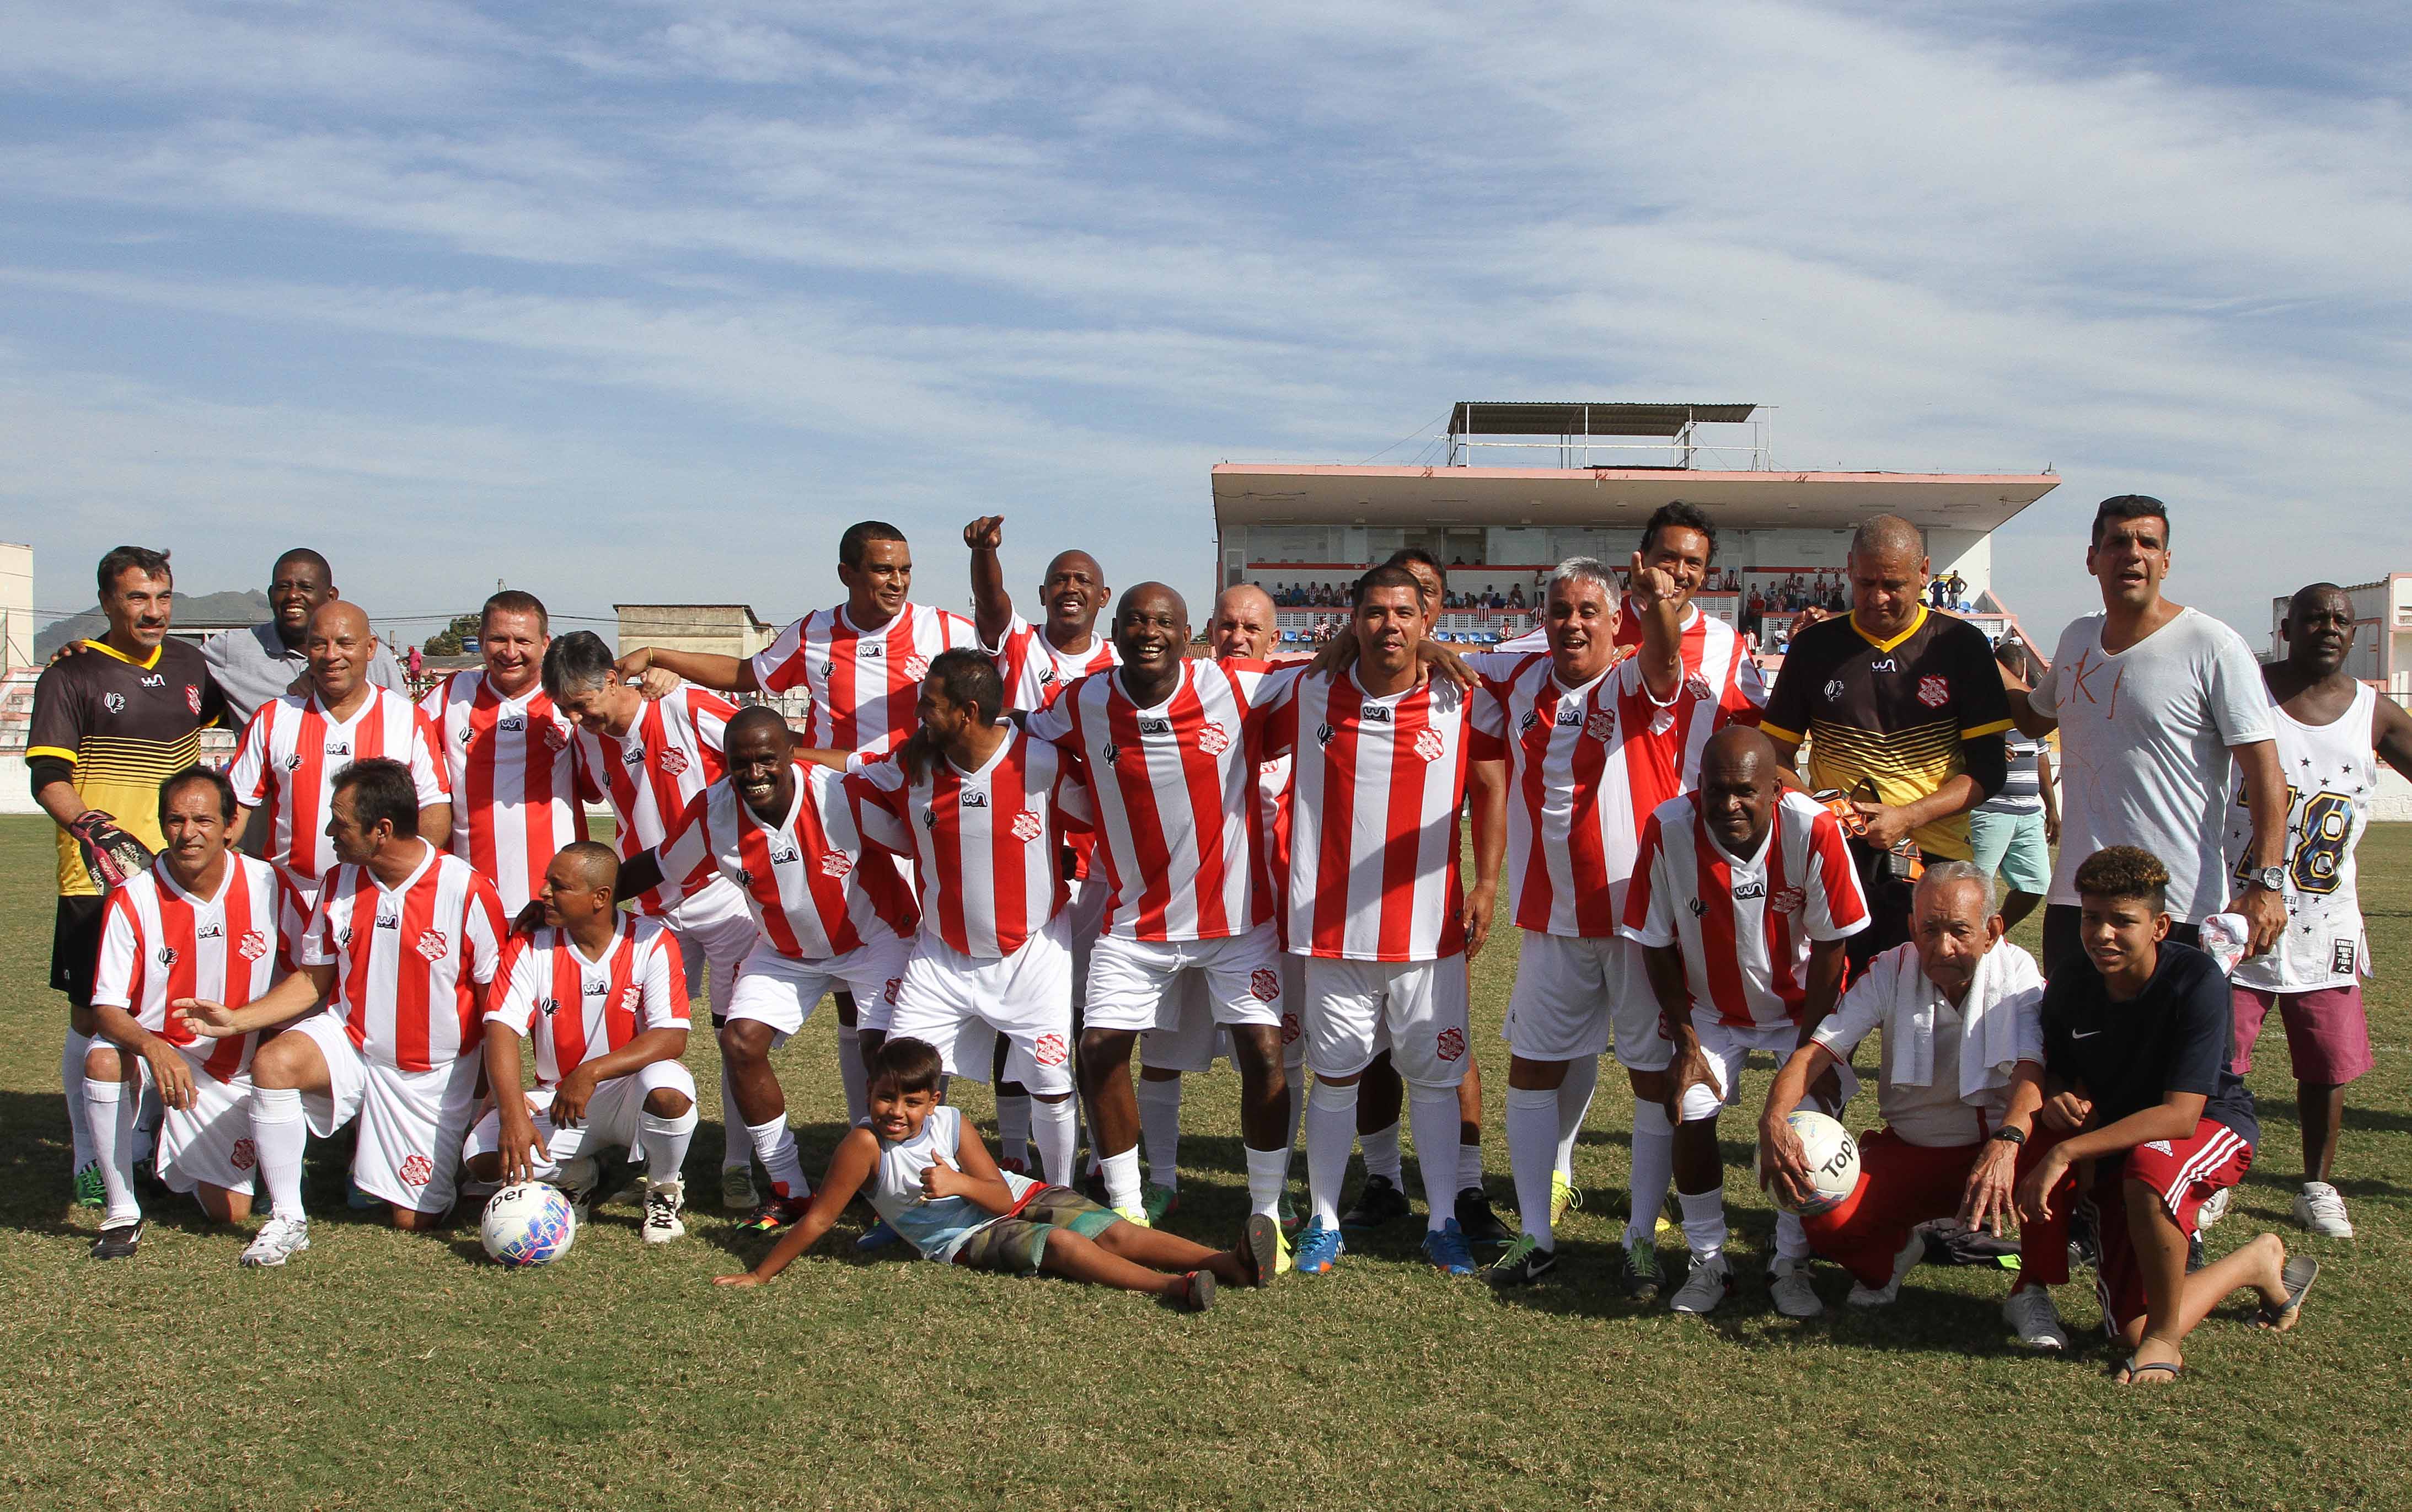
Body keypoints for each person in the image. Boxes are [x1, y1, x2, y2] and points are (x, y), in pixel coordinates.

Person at [616, 519, 979, 1120]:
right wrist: (658, 654)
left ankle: (919, 1139)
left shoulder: (946, 629)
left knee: (915, 993)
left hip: (915, 821)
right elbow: (743, 676)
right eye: (883, 569)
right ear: (848, 574)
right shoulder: (813, 633)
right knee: (852, 993)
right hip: (834, 818)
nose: (897, 581)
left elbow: (992, 687)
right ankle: (867, 1133)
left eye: (905, 569)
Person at [1021, 584, 1295, 1232]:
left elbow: (1341, 671)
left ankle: (1266, 1212)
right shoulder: (1083, 700)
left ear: (1185, 632)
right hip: (1137, 923)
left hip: (1236, 922)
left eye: (1164, 622)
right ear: (1114, 630)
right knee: (1099, 1049)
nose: (1150, 632)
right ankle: (1126, 1209)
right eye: (1138, 621)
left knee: (1264, 1053)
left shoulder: (1239, 684)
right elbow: (1020, 737)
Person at [1460, 553, 1691, 1289]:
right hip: (1552, 921)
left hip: (1638, 923)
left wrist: (1658, 600)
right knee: (1528, 1070)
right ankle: (1534, 1234)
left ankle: (1639, 1238)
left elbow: (1663, 657)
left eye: (1589, 610)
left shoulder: (1633, 680)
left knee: (1652, 1077)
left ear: (1615, 619)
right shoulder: (1515, 680)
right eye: (1560, 610)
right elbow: (1446, 665)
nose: (1572, 623)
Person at [1266, 566, 1504, 1278]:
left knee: (1433, 1079)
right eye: (1373, 613)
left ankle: (1440, 1222)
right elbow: (1229, 682)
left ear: (1428, 620)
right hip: (1332, 930)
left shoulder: (1463, 698)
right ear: (1352, 621)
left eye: (1404, 612)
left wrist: (1488, 881)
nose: (1389, 626)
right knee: (1335, 1078)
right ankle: (1326, 1221)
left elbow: (1491, 786)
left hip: (1428, 933)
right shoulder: (1310, 690)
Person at [179, 758, 507, 1264]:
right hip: (352, 1043)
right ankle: (288, 1218)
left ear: (383, 831)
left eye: (340, 822)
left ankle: (452, 1158)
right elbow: (314, 980)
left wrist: (492, 1095)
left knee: (412, 1222)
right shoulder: (339, 883)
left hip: (430, 1074)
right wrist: (239, 1019)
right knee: (274, 1064)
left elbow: (494, 1007)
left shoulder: (467, 890)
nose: (329, 831)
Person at [607, 706, 917, 1233]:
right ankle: (788, 1188)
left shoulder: (841, 794)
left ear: (791, 755)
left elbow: (924, 842)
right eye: (741, 763)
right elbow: (660, 864)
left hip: (876, 938)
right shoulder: (714, 811)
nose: (754, 775)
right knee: (740, 1041)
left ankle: (890, 1184)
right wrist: (589, 894)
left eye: (767, 761)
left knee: (884, 1055)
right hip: (785, 950)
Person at [2014, 847, 2316, 1384]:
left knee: (2152, 1168)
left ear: (2159, 926)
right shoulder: (2071, 983)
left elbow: (2179, 1117)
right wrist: (2061, 1093)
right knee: (2128, 1329)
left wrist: (2068, 1149)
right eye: (2090, 918)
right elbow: (2058, 1068)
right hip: (2123, 1144)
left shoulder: (2196, 980)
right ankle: (2255, 1263)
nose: (2102, 934)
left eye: (2121, 921)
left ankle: (2164, 1342)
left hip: (2209, 1125)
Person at [1758, 863, 2075, 1345]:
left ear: (1992, 931)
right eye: (1930, 929)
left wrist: (2008, 1143)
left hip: (1998, 1148)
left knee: (2053, 1148)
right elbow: (1816, 1054)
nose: (1942, 947)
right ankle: (1899, 1251)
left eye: (1959, 932)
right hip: (1916, 1148)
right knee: (1825, 1214)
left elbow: (2032, 1070)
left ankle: (2029, 1291)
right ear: (1912, 928)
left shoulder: (2018, 971)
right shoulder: (1891, 969)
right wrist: (1774, 1119)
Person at [713, 1037, 1275, 1307]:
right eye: (886, 1098)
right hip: (960, 1236)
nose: (897, 1112)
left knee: (1113, 1227)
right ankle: (1172, 1288)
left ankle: (1228, 1264)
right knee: (1058, 1241)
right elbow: (819, 1220)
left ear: (934, 1101)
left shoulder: (953, 1123)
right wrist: (760, 1275)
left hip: (1001, 1199)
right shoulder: (863, 1145)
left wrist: (957, 1183)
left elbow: (997, 1193)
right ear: (871, 1094)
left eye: (912, 1102)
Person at [1621, 727, 1870, 1317]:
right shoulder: (1668, 828)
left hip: (1797, 1012)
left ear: (1774, 790)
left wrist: (1813, 1054)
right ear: (1698, 786)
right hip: (1710, 1010)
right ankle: (1709, 1260)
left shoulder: (1814, 828)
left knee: (1806, 1126)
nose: (1728, 805)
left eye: (1744, 792)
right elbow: (1655, 943)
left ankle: (1791, 1262)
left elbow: (1832, 946)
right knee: (1689, 1107)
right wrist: (1685, 1042)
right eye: (1715, 791)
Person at [2000, 496, 2287, 977]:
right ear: (2092, 558)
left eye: (2148, 543)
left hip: (2176, 904)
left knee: (2172, 1051)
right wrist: (1974, 652)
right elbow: (2033, 719)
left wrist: (2268, 883)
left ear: (2166, 561)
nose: (2132, 553)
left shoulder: (2212, 645)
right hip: (2079, 900)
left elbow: (2265, 770)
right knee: (2073, 1049)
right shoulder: (2076, 639)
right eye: (2117, 542)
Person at [843, 650, 1092, 1189]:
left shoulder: (1042, 761)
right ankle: (905, 1195)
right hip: (941, 955)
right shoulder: (912, 764)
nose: (919, 715)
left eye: (929, 705)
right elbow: (842, 780)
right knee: (898, 1075)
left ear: (967, 712)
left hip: (1034, 951)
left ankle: (1060, 1195)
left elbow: (1101, 808)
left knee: (1051, 1081)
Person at [30, 545, 227, 1208]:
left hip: (175, 878)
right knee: (94, 1018)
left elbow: (233, 725)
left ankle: (145, 1144)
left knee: (165, 1011)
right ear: (108, 602)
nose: (154, 612)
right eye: (138, 598)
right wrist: (91, 826)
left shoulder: (189, 664)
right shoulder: (72, 673)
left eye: (164, 597)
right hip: (99, 881)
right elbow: (48, 778)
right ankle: (91, 1159)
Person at [544, 630, 763, 1208]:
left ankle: (737, 1165)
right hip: (651, 911)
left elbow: (768, 748)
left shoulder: (685, 707)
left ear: (613, 681)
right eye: (565, 708)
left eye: (580, 704)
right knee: (644, 1038)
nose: (575, 717)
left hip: (725, 901)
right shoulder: (588, 739)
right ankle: (644, 1158)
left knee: (734, 1038)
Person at [2222, 583, 2412, 1238]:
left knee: (2326, 1065)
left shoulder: (2374, 712)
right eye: (2314, 618)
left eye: (2340, 619)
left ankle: (2318, 1184)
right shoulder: (2246, 688)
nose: (2328, 628)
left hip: (2327, 919)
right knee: (2220, 1055)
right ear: (2288, 627)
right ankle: (2213, 1172)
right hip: (2239, 906)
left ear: (2355, 631)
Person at [1760, 516, 2011, 969]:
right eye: (1865, 582)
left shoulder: (1961, 645)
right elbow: (1774, 752)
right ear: (1849, 569)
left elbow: (1990, 769)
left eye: (1893, 584)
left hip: (1935, 862)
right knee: (1832, 1006)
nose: (1878, 597)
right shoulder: (1815, 647)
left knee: (1928, 1013)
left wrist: (1907, 817)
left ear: (1923, 573)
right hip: (1837, 856)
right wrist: (1819, 810)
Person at [1134, 583, 1309, 1230]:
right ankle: (1160, 1180)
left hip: (1267, 919)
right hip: (1180, 910)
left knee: (1274, 1058)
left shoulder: (1293, 693)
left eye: (1252, 628)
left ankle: (1276, 1187)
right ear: (1210, 629)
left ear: (1275, 639)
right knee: (1161, 1053)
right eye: (1229, 625)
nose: (1239, 637)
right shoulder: (1184, 691)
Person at [81, 766, 287, 1256]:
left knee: (229, 1213)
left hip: (228, 1066)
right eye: (175, 821)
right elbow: (106, 1007)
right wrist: (154, 1048)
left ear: (231, 824)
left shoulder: (267, 885)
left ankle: (162, 1146)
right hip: (156, 1050)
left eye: (203, 820)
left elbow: (306, 976)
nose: (188, 833)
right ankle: (121, 1212)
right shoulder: (133, 898)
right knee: (103, 1058)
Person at [963, 516, 1116, 1176]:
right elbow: (993, 608)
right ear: (1045, 592)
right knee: (1012, 1010)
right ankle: (1014, 1147)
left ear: (1103, 598)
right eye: (1060, 579)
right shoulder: (1020, 647)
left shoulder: (1117, 664)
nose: (1071, 588)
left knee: (1081, 1013)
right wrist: (985, 554)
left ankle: (1077, 1140)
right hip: (1019, 851)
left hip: (1097, 858)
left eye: (1083, 580)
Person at [463, 841, 698, 1243]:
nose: (544, 893)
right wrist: (512, 1115)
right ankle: (577, 1177)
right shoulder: (528, 944)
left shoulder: (652, 940)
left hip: (628, 1091)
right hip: (558, 1099)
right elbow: (500, 1031)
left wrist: (591, 1072)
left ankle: (662, 1190)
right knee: (482, 1158)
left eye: (559, 886)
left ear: (600, 898)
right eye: (546, 883)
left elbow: (671, 1036)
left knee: (670, 1090)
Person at [227, 600, 451, 954]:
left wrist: (403, 881)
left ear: (370, 648)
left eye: (345, 643)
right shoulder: (274, 718)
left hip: (375, 897)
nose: (332, 655)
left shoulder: (406, 719)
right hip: (289, 901)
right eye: (319, 644)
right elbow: (236, 807)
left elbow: (434, 809)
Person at [417, 591, 585, 916]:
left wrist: (660, 670)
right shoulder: (450, 695)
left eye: (523, 641)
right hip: (467, 892)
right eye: (498, 639)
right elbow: (396, 738)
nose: (511, 652)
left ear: (545, 643)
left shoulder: (569, 701)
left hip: (552, 895)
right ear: (481, 640)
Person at [201, 548, 404, 730]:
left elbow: (402, 723)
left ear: (331, 597)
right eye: (283, 587)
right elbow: (178, 669)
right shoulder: (233, 649)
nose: (293, 596)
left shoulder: (370, 655)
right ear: (271, 595)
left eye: (305, 587)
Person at [1969, 639, 2058, 932]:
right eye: (2009, 674)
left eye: (2018, 675)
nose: (2013, 681)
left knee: (2035, 885)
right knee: (1975, 887)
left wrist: (2052, 809)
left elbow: (2041, 759)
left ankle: (1992, 934)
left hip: (2029, 812)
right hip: (1990, 810)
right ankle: (1969, 939)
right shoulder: (1979, 704)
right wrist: (1989, 748)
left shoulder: (2028, 705)